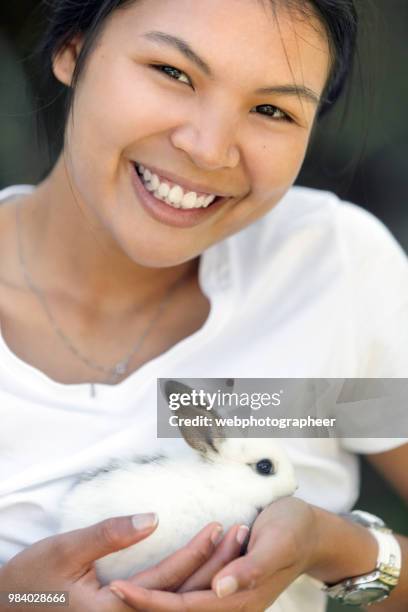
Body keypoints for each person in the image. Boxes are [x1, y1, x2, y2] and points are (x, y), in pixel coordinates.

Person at [0, 0, 407, 610]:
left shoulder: (327, 269)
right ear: (73, 51)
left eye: (271, 109)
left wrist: (335, 548)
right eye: (172, 72)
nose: (210, 148)